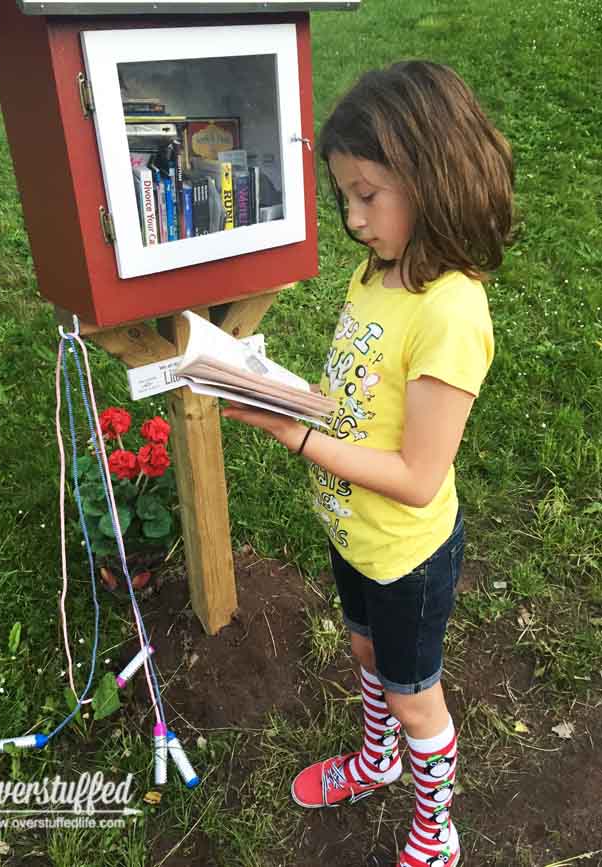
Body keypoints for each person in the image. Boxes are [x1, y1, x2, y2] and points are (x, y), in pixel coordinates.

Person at [222, 60, 514, 867]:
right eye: (345, 196)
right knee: (365, 654)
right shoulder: (377, 271)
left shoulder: (451, 313)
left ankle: (436, 828)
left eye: (367, 196)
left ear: (432, 177)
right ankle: (376, 759)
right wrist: (283, 394)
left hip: (406, 554)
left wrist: (298, 438)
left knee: (413, 693)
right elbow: (352, 393)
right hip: (353, 531)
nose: (352, 218)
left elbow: (419, 478)